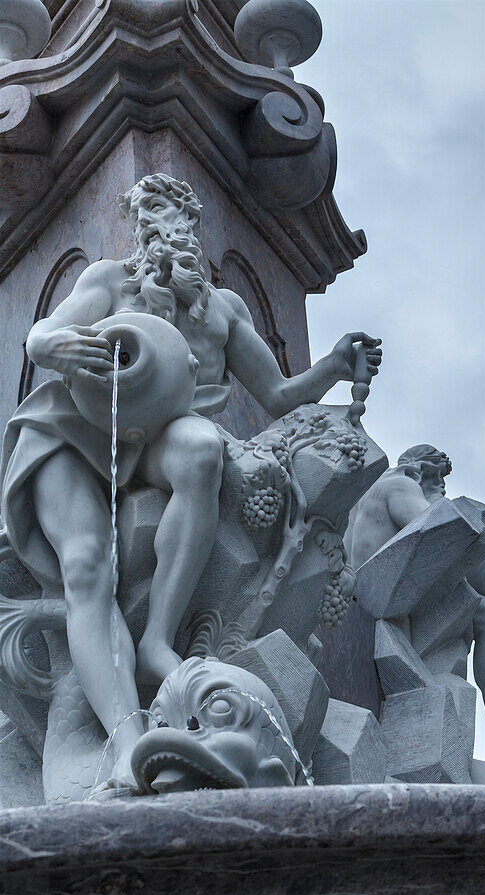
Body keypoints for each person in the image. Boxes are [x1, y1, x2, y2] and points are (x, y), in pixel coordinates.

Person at [0, 173, 381, 791]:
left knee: (203, 447)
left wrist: (335, 366)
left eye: (180, 214)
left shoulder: (223, 309)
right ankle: (126, 741)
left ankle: (156, 639)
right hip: (75, 431)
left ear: (196, 230)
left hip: (156, 436)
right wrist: (66, 348)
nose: (168, 227)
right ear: (137, 227)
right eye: (152, 213)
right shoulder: (107, 281)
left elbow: (280, 395)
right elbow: (39, 337)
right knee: (87, 567)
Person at [346, 445, 485, 782]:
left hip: (382, 602)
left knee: (470, 612)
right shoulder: (399, 483)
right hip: (382, 602)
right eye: (439, 481)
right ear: (421, 469)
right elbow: (434, 526)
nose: (442, 491)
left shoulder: (367, 498)